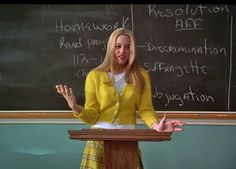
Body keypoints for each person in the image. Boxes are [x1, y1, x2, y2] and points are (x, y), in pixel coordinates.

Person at [56, 27, 184, 169]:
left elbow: (145, 109)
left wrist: (156, 125)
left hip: (128, 140)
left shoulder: (142, 76)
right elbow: (91, 116)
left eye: (127, 47)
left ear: (132, 50)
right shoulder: (94, 76)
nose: (122, 51)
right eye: (118, 46)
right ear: (111, 47)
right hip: (98, 141)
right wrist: (76, 108)